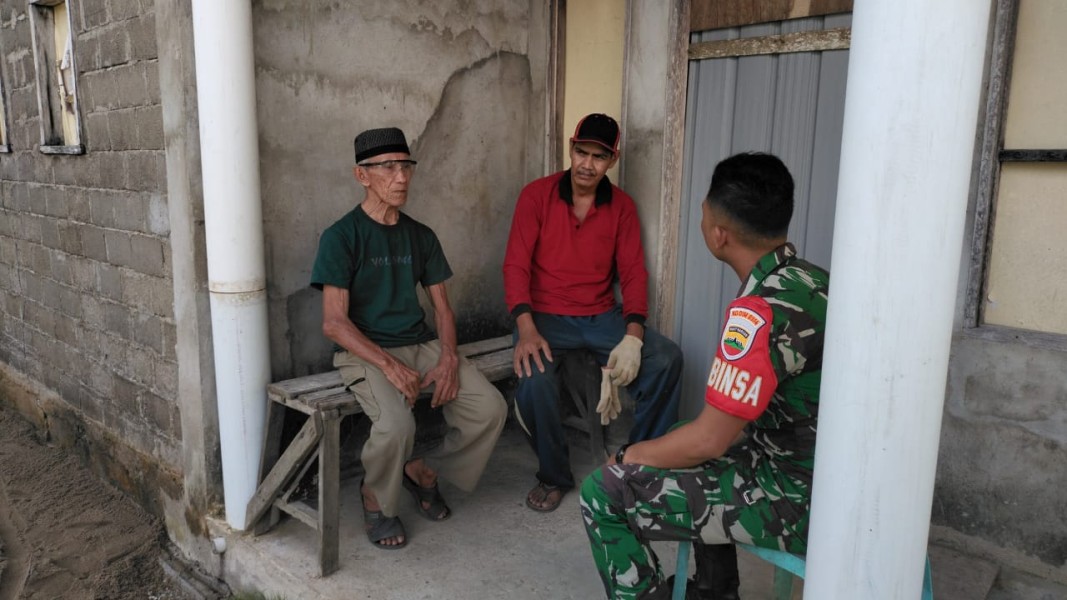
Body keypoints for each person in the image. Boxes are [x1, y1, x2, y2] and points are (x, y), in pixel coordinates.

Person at [579, 152, 831, 600]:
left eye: (703, 211)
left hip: (798, 501)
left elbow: (710, 441)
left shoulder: (758, 312)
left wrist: (626, 455)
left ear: (719, 234)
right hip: (826, 475)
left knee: (604, 491)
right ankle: (716, 592)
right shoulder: (812, 281)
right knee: (680, 436)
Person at [310, 127, 507, 550]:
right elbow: (334, 323)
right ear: (362, 175)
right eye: (388, 168)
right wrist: (388, 364)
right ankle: (375, 497)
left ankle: (425, 470)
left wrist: (448, 357)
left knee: (490, 408)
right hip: (365, 350)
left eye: (406, 166)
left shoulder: (421, 235)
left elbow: (443, 310)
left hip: (421, 345)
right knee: (398, 425)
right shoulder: (341, 237)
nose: (401, 177)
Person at [502, 113, 683, 513]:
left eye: (598, 157)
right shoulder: (536, 196)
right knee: (533, 380)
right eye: (581, 152)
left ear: (612, 160)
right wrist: (526, 328)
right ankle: (554, 475)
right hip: (543, 317)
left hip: (600, 317)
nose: (587, 164)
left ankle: (638, 466)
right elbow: (515, 265)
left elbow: (633, 272)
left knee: (666, 359)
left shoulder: (622, 207)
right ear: (570, 148)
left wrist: (634, 335)